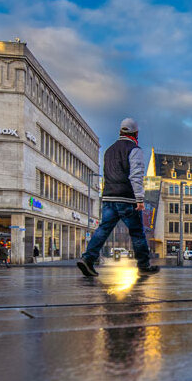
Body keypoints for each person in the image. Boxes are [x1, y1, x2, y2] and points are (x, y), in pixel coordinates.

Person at [77, 118, 159, 277]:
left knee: (103, 229)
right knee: (137, 232)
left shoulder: (109, 150)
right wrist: (140, 200)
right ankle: (143, 265)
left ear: (120, 132)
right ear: (135, 133)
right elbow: (136, 176)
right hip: (127, 199)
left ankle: (88, 259)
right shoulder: (134, 150)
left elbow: (107, 175)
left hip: (108, 198)